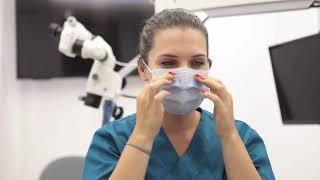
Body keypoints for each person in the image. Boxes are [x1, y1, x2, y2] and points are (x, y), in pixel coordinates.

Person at [82, 9, 275, 180]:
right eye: (168, 63)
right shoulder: (111, 141)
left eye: (197, 63)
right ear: (143, 69)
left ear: (209, 66)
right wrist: (142, 136)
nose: (184, 74)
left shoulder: (243, 137)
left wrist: (229, 136)